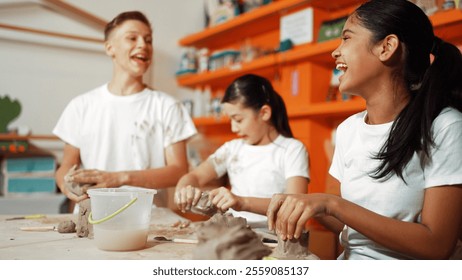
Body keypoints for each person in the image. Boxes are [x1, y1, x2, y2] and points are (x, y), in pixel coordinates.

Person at [267, 0, 462, 260]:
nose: (335, 52)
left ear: (387, 47)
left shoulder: (446, 126)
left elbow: (437, 245)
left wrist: (331, 204)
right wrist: (295, 206)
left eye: (346, 38)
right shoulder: (348, 130)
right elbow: (346, 225)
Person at [53, 11, 196, 207]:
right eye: (132, 38)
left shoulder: (167, 107)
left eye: (148, 40)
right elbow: (67, 165)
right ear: (110, 48)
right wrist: (65, 183)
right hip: (94, 218)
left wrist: (119, 178)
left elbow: (178, 171)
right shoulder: (81, 106)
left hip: (149, 222)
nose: (143, 45)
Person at [175, 74, 310, 227]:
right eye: (231, 120)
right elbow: (195, 176)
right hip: (235, 230)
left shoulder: (291, 150)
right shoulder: (232, 149)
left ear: (264, 113)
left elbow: (294, 206)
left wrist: (242, 202)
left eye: (238, 120)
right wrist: (184, 190)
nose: (234, 128)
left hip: (273, 236)